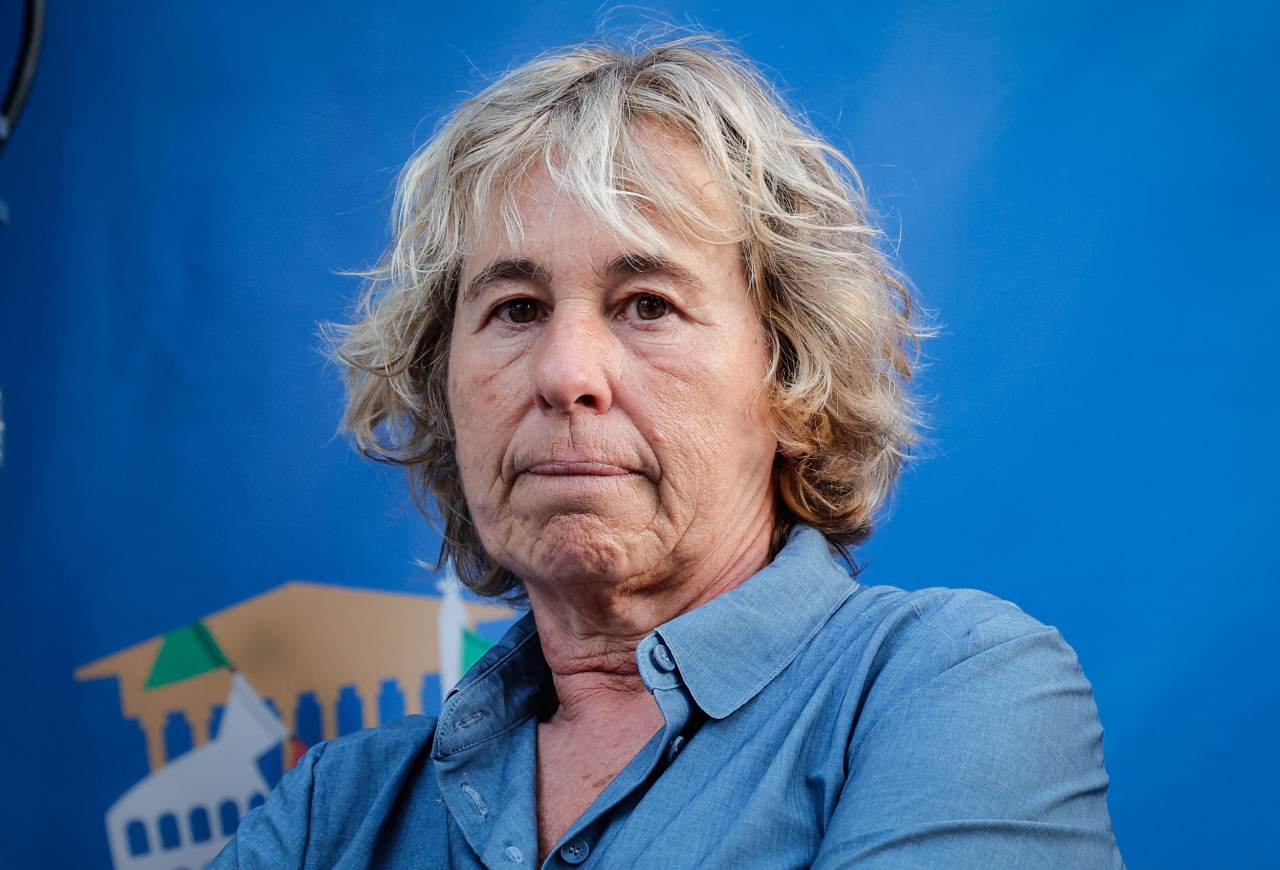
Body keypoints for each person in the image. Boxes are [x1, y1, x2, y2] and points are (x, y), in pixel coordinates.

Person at [213, 34, 1123, 868]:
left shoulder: (952, 685)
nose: (565, 374)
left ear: (795, 382)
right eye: (516, 310)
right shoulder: (335, 811)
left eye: (648, 304)